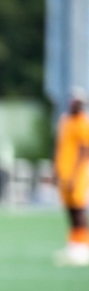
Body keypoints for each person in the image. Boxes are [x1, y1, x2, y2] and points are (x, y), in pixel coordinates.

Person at [54, 90, 89, 266]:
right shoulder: (65, 121)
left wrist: (75, 175)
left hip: (78, 174)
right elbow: (59, 146)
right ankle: (74, 245)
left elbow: (84, 151)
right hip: (65, 172)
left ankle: (83, 247)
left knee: (78, 209)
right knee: (70, 209)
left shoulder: (83, 123)